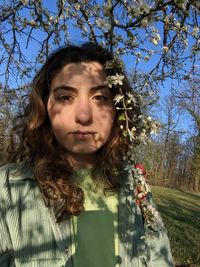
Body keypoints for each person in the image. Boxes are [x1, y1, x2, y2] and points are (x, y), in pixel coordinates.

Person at [0, 42, 174, 267]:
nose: (84, 116)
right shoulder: (7, 189)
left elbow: (160, 258)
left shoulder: (135, 184)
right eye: (66, 97)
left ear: (117, 108)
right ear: (44, 105)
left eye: (100, 98)